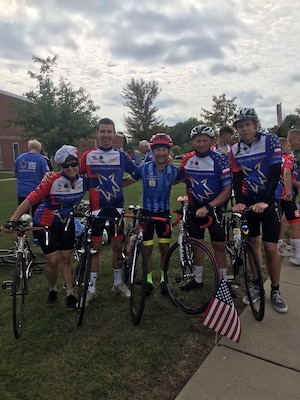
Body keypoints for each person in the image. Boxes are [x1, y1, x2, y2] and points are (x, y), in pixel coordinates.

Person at [4, 145, 86, 310]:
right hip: (44, 224)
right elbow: (30, 199)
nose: (70, 168)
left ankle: (70, 293)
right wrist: (13, 219)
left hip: (66, 223)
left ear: (78, 163)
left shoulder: (84, 180)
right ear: (59, 166)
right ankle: (52, 289)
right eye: (65, 165)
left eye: (73, 164)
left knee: (66, 258)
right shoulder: (52, 181)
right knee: (53, 260)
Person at [230, 107, 288, 313]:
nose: (244, 129)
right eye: (240, 126)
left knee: (270, 246)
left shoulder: (269, 140)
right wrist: (240, 201)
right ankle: (256, 285)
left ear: (255, 124)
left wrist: (265, 201)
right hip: (250, 200)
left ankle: (275, 289)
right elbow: (237, 179)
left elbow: (275, 171)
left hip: (270, 199)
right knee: (253, 244)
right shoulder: (234, 150)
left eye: (247, 124)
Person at [79, 118, 140, 304]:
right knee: (95, 249)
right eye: (102, 131)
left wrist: (125, 183)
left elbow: (137, 172)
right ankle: (91, 289)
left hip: (116, 208)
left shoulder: (121, 156)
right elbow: (75, 176)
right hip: (96, 210)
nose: (106, 135)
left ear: (114, 134)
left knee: (116, 247)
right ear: (96, 133)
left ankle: (118, 283)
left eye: (109, 131)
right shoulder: (87, 156)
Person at [179, 125, 232, 291]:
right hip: (195, 208)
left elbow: (227, 190)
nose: (201, 144)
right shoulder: (188, 159)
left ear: (210, 141)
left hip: (215, 208)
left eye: (204, 140)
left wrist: (209, 206)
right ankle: (197, 279)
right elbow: (179, 177)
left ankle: (223, 282)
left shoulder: (220, 158)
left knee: (219, 245)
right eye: (197, 140)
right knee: (196, 244)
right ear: (193, 142)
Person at [128, 133, 182, 295]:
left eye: (164, 150)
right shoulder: (144, 169)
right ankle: (149, 280)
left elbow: (189, 179)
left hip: (163, 214)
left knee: (164, 248)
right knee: (148, 250)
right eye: (157, 150)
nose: (161, 153)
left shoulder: (173, 171)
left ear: (168, 152)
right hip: (146, 214)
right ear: (152, 151)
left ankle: (164, 280)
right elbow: (127, 181)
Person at [277, 137, 300, 262]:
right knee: (295, 223)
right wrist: (289, 191)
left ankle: (279, 247)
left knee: (281, 220)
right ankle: (297, 256)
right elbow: (286, 173)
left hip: (276, 195)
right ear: (282, 147)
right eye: (287, 146)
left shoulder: (275, 159)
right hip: (286, 195)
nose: (290, 148)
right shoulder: (288, 158)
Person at [14, 139, 50, 217]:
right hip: (36, 191)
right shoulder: (41, 159)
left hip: (21, 191)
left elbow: (15, 174)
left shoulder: (19, 158)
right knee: (36, 215)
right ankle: (35, 229)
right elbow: (46, 175)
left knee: (22, 216)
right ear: (39, 148)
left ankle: (21, 228)